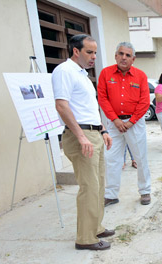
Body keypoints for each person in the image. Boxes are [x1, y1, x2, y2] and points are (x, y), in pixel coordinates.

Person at [52, 34, 114, 251]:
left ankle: (95, 226)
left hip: (94, 134)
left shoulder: (82, 75)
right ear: (76, 51)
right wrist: (80, 136)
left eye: (95, 52)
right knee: (89, 187)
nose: (93, 57)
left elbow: (88, 108)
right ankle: (85, 238)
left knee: (98, 185)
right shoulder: (64, 71)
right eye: (89, 52)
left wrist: (103, 130)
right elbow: (62, 106)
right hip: (81, 136)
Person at [97, 42, 152, 206]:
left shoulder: (140, 76)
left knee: (140, 157)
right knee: (111, 159)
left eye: (128, 55)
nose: (124, 57)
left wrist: (131, 122)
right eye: (121, 53)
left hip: (134, 123)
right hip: (114, 123)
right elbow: (102, 98)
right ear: (115, 56)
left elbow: (144, 102)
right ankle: (111, 194)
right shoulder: (106, 74)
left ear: (133, 59)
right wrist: (115, 120)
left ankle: (145, 191)